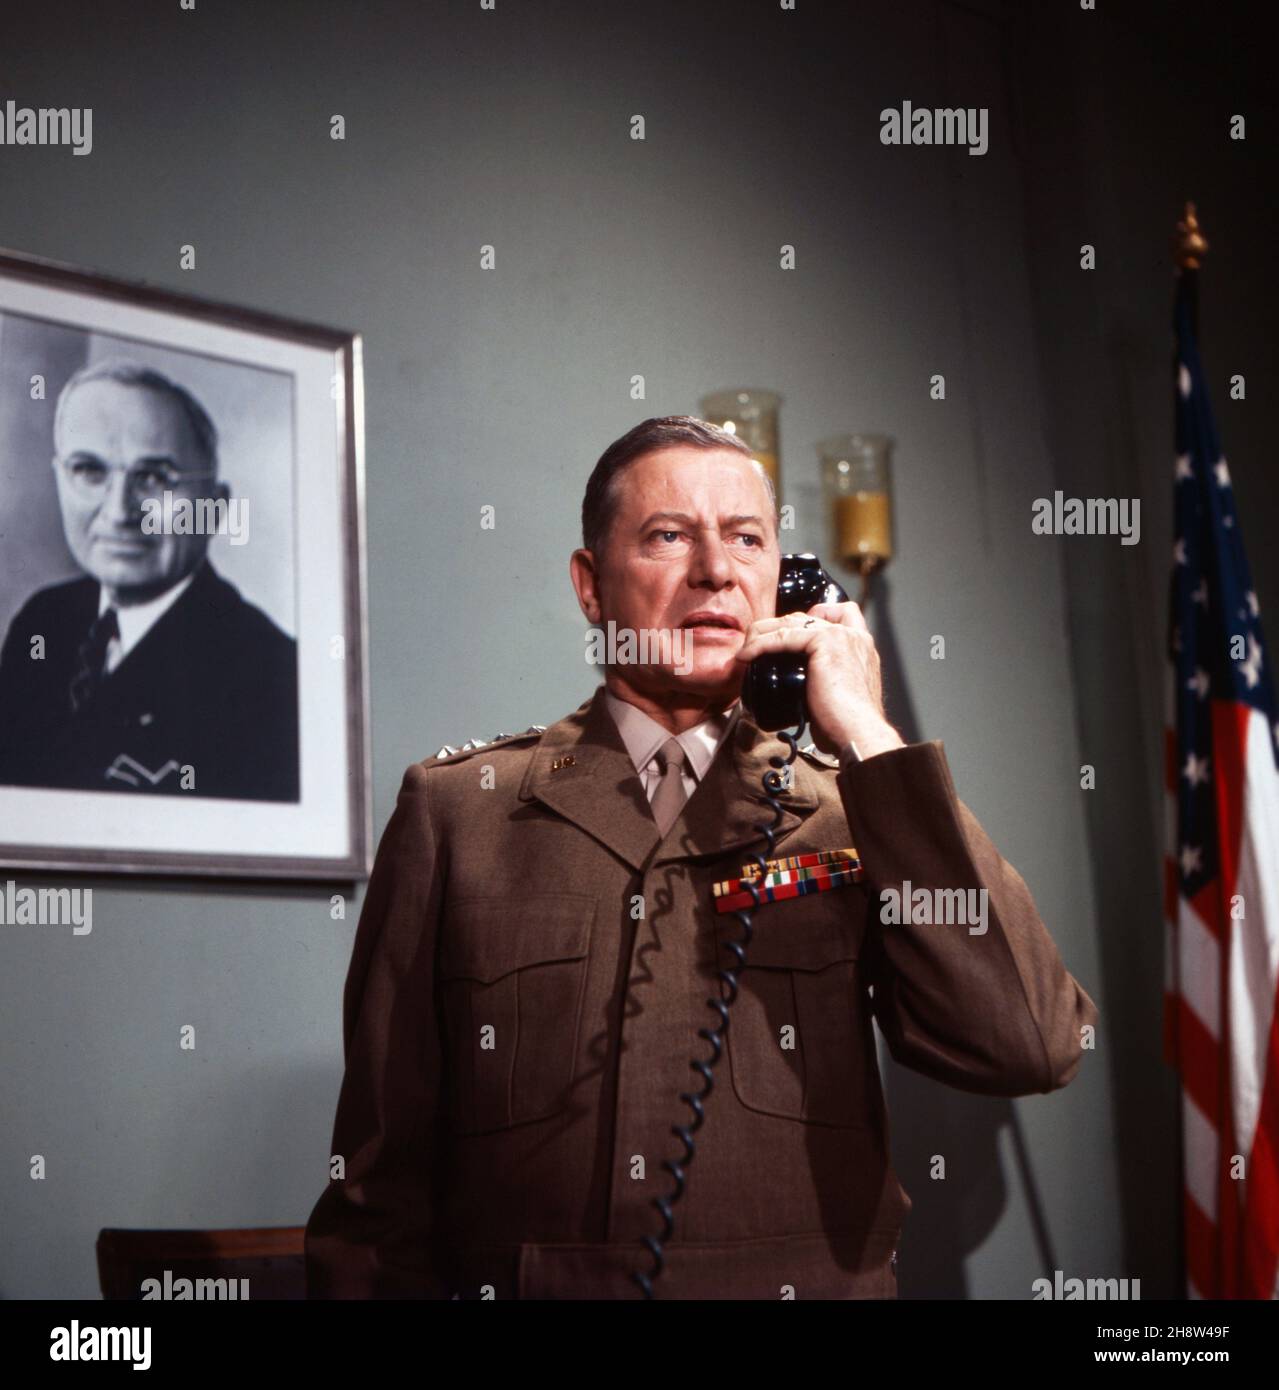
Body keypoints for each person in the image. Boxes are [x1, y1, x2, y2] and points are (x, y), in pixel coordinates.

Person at [304, 414, 1098, 1299]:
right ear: (591, 585)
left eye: (747, 539)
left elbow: (1029, 1043)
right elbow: (375, 1198)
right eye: (668, 535)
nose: (716, 570)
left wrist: (867, 735)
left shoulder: (852, 810)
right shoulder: (461, 814)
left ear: (786, 585)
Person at [0, 359, 298, 802]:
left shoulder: (273, 676)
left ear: (214, 509)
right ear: (60, 480)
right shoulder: (42, 620)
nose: (119, 511)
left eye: (154, 478)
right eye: (88, 470)